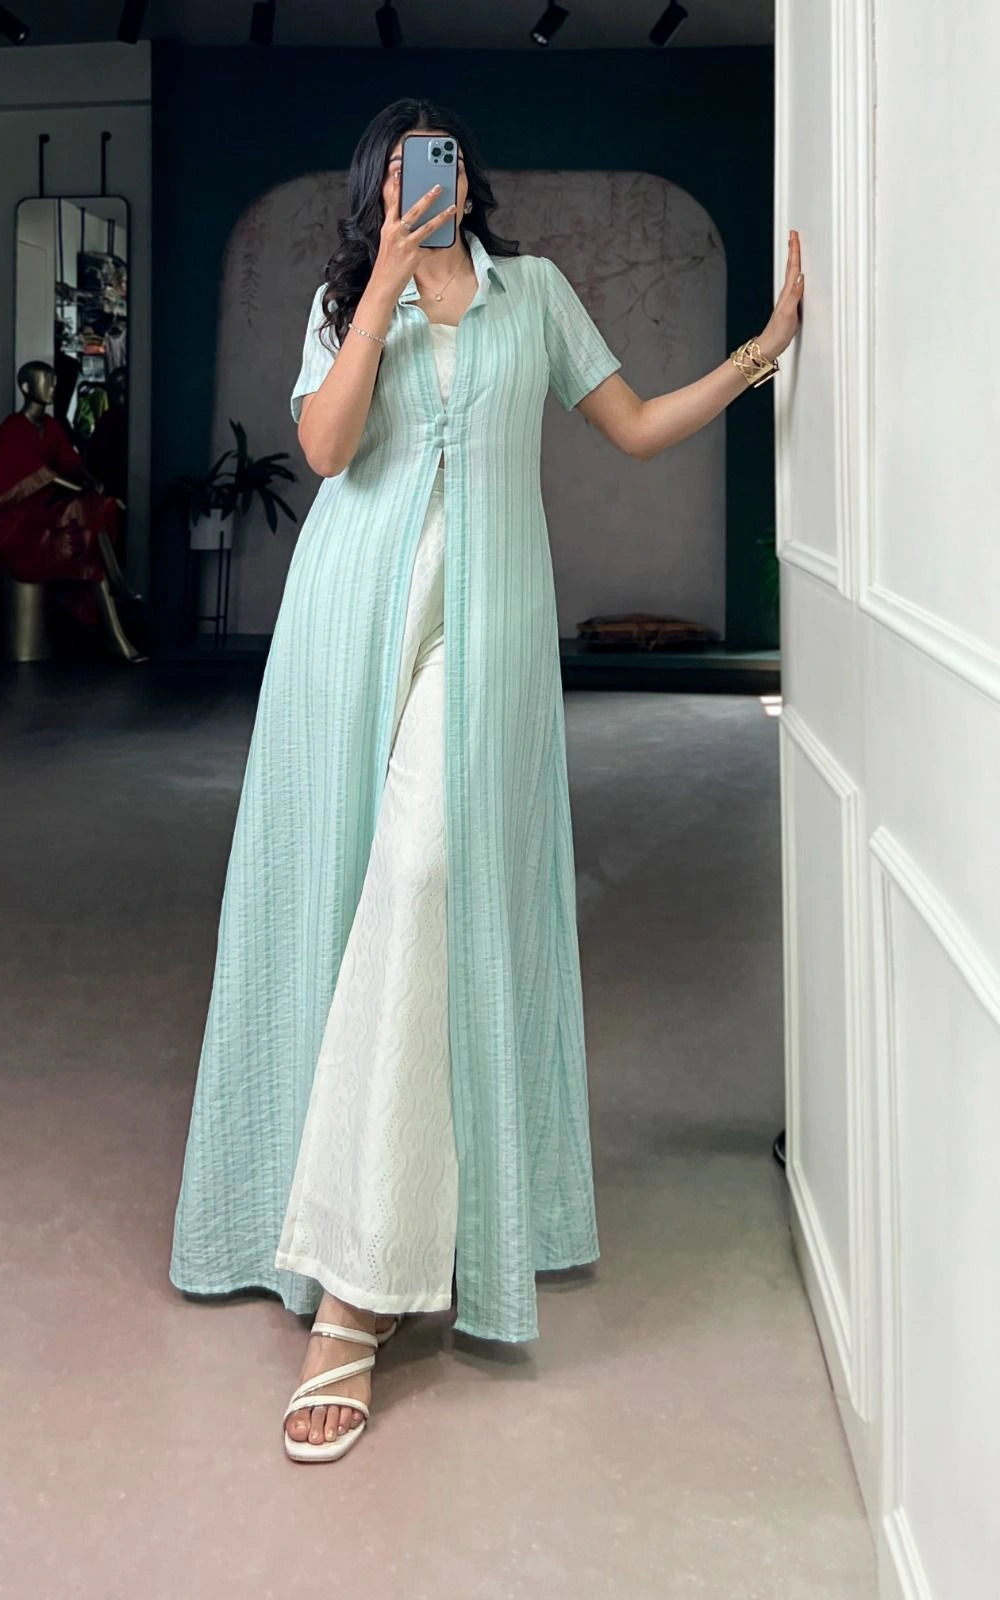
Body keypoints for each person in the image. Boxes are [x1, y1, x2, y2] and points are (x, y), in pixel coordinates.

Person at [167, 99, 804, 1463]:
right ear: (377, 185)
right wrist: (384, 288)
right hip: (349, 632)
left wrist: (762, 352)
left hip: (486, 636)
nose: (432, 178)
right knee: (343, 905)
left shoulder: (538, 295)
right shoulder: (347, 303)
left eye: (445, 159)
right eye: (407, 166)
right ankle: (365, 1223)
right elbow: (326, 450)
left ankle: (359, 1290)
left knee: (422, 872)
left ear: (470, 176)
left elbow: (635, 425)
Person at [0, 360, 142, 665]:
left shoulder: (51, 426)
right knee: (84, 511)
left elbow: (70, 462)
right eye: (46, 381)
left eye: (53, 381)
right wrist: (76, 486)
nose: (52, 387)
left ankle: (115, 597)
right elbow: (35, 475)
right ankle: (116, 598)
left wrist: (90, 481)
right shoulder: (12, 427)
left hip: (45, 516)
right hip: (15, 523)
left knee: (95, 511)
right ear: (26, 387)